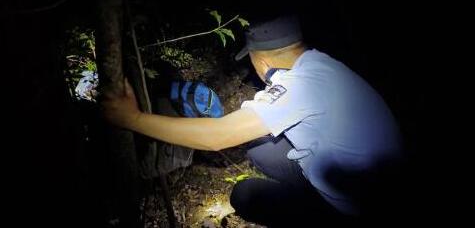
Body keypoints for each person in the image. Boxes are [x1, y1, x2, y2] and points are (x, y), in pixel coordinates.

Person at [102, 15, 404, 226]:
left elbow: (217, 137)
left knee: (244, 195)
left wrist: (132, 118)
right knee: (258, 148)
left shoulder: (299, 87)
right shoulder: (319, 64)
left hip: (354, 208)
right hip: (377, 182)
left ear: (262, 60)